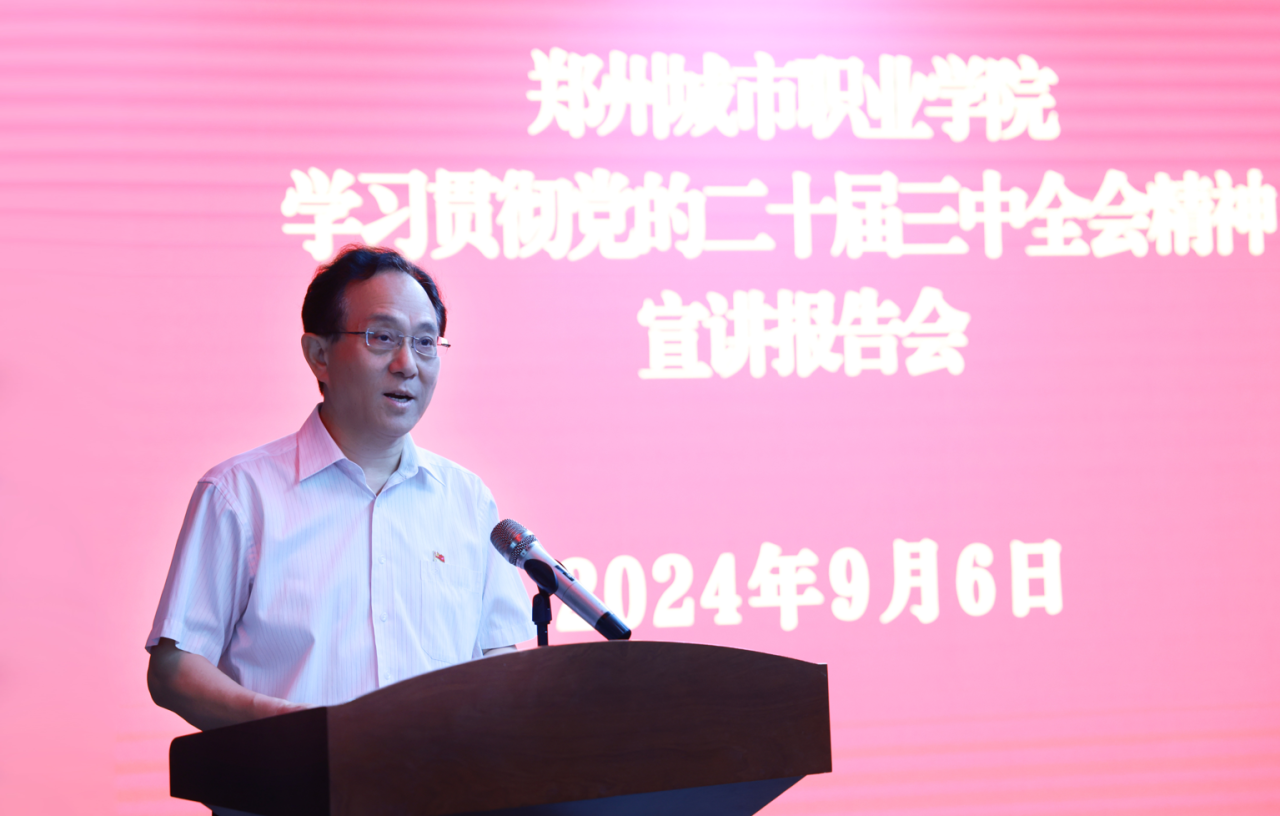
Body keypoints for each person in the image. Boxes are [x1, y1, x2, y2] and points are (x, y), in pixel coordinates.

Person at [146, 245, 534, 732]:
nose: (407, 364)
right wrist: (293, 727)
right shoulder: (239, 495)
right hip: (294, 773)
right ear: (319, 356)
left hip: (439, 777)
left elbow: (497, 657)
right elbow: (175, 669)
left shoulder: (467, 500)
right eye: (382, 337)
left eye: (424, 342)